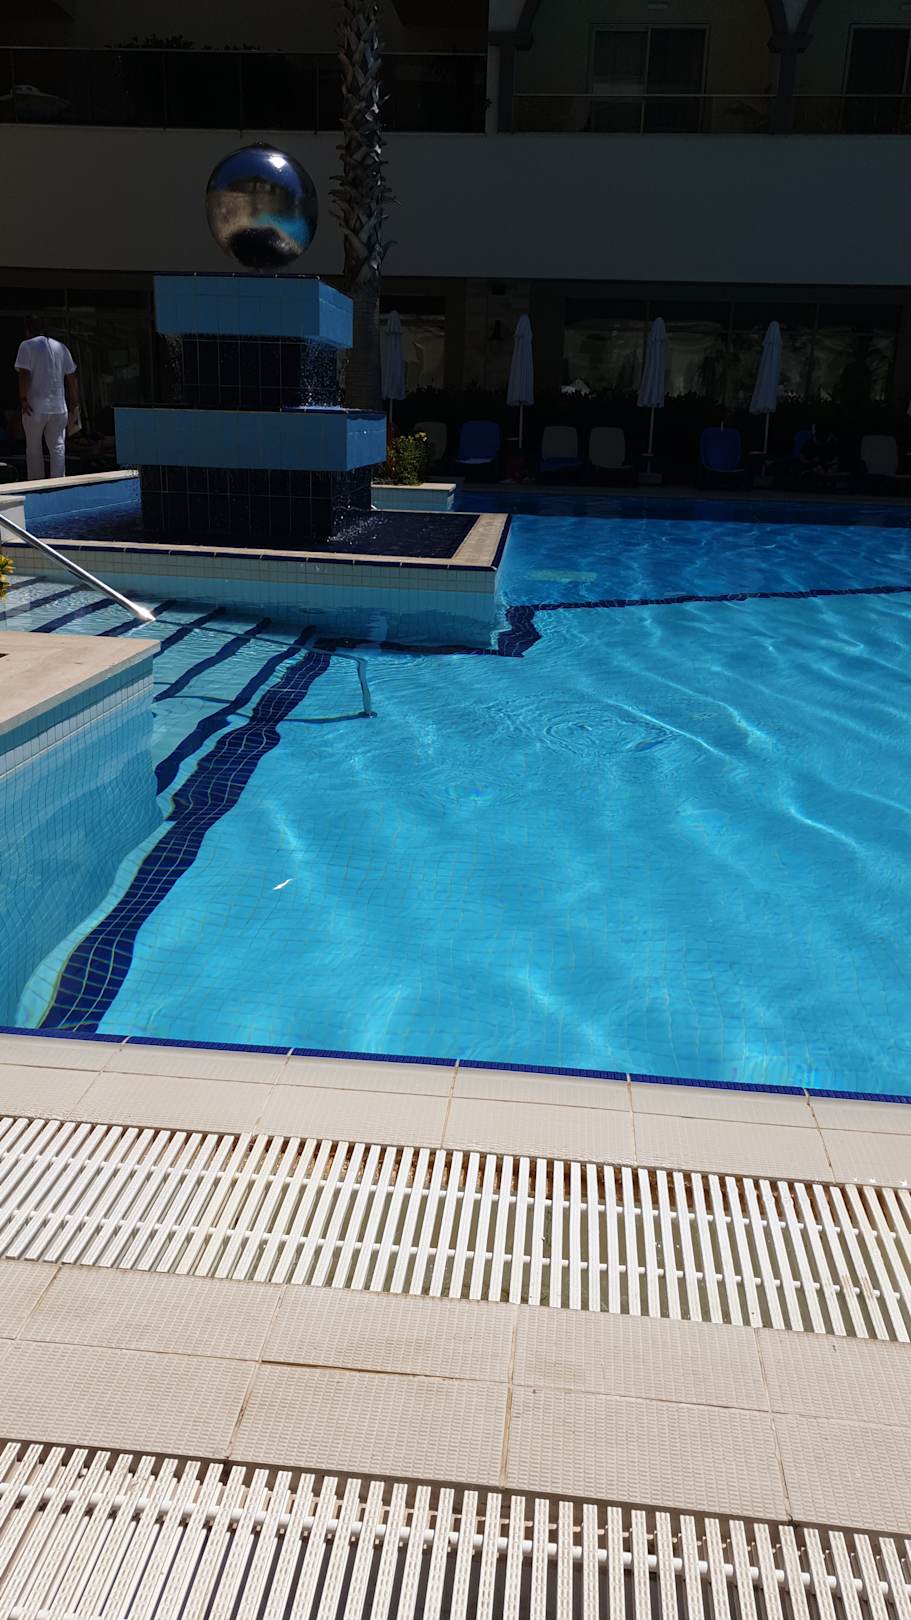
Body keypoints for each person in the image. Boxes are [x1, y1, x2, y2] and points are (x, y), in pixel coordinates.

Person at [15, 315, 79, 481]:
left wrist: (23, 398)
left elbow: (24, 374)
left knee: (34, 448)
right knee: (58, 446)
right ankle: (58, 483)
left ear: (27, 330)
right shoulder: (61, 347)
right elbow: (72, 377)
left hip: (34, 405)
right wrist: (75, 402)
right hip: (59, 407)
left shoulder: (26, 346)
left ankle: (36, 483)